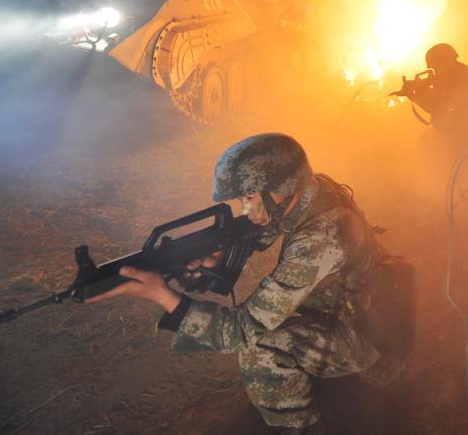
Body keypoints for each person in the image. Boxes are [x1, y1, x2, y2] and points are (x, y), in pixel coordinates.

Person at [88, 133, 413, 434]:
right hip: (350, 308)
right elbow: (259, 232)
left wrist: (162, 295)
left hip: (369, 337)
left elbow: (240, 331)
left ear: (279, 189)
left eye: (248, 197)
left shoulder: (319, 238)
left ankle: (304, 427)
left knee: (260, 348)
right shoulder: (311, 193)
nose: (244, 209)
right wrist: (215, 258)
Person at [397, 43, 468, 150]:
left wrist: (417, 93)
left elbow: (436, 108)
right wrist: (416, 92)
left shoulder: (461, 78)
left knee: (431, 141)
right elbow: (435, 106)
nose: (435, 71)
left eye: (436, 67)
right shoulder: (453, 76)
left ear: (446, 62)